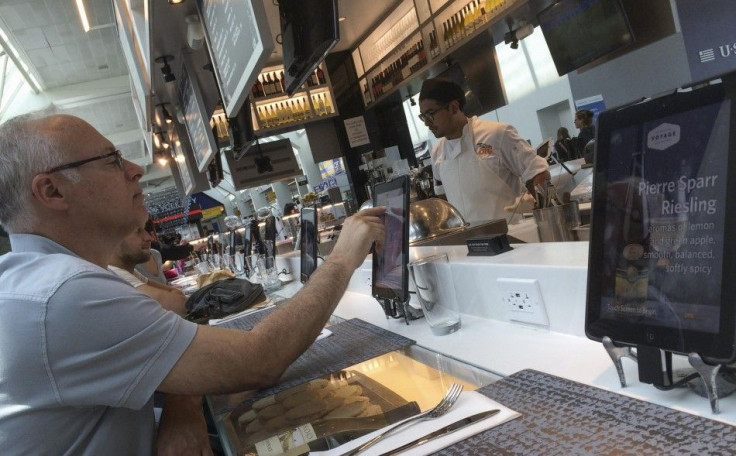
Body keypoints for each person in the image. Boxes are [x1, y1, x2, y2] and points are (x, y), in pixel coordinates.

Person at [0, 112, 386, 455]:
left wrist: (180, 404)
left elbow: (176, 355)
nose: (135, 169)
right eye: (111, 161)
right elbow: (258, 360)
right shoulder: (62, 295)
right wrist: (342, 259)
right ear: (52, 191)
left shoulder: (42, 281)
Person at [418, 78, 550, 223]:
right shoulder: (437, 152)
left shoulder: (497, 134)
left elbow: (537, 172)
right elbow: (444, 202)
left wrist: (543, 215)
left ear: (454, 107)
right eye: (423, 117)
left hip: (513, 237)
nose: (426, 123)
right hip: (468, 241)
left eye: (430, 114)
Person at [110, 225, 187, 316]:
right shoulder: (113, 274)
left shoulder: (131, 272)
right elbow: (178, 305)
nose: (148, 238)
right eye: (137, 230)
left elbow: (177, 296)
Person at [135, 219, 169, 284]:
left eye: (149, 232)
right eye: (138, 232)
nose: (150, 238)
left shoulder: (156, 254)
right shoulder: (126, 266)